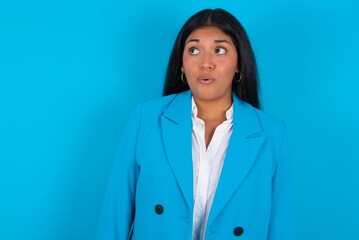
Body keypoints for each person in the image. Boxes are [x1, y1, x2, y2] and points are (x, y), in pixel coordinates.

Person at [96, 8, 292, 240]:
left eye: (219, 50)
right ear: (181, 63)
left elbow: (281, 227)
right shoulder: (146, 118)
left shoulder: (272, 133)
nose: (205, 63)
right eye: (194, 50)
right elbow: (115, 215)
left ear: (239, 63)